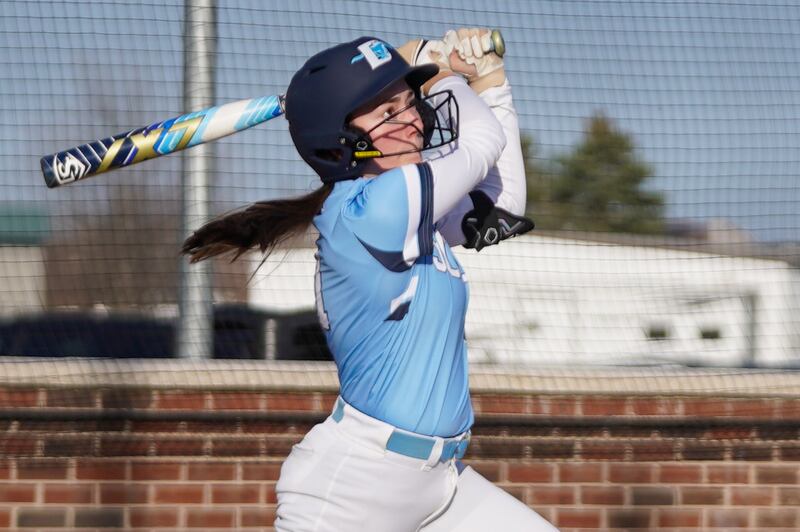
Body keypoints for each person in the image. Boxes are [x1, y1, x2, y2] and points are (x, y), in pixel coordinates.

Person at [182, 29, 557, 532]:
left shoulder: (412, 209)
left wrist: (489, 81)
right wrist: (445, 67)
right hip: (354, 491)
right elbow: (483, 141)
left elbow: (502, 204)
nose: (412, 123)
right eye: (386, 114)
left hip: (441, 484)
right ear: (339, 144)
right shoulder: (373, 211)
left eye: (409, 105)